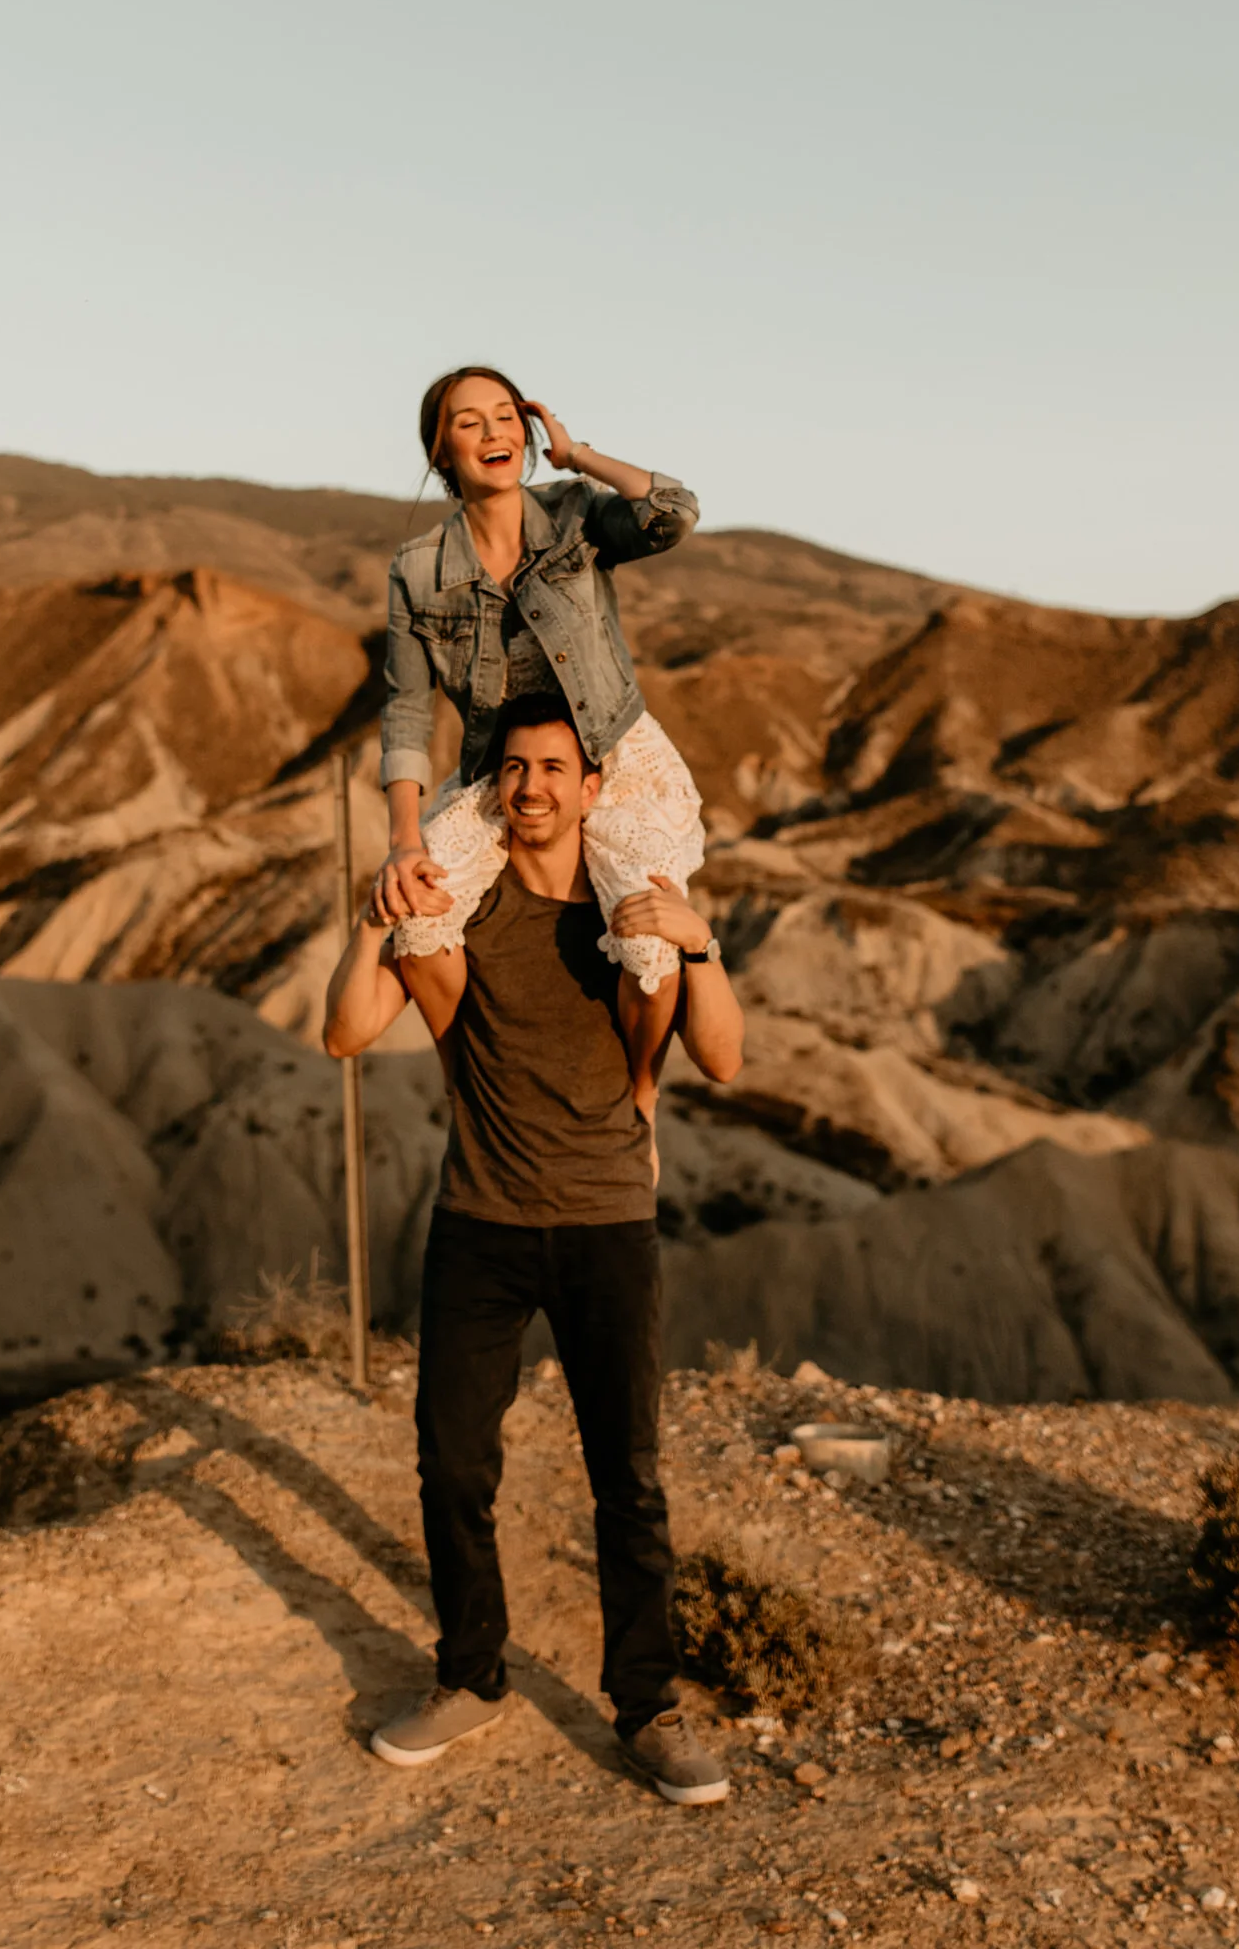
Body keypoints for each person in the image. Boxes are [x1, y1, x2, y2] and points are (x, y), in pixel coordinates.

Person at [324, 692, 745, 1806]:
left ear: (593, 787)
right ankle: (469, 1677)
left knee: (630, 1482)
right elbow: (343, 1033)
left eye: (557, 768)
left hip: (609, 1226)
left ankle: (648, 1711)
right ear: (494, 788)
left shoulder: (634, 917)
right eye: (515, 769)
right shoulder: (460, 912)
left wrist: (698, 939)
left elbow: (727, 1057)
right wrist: (374, 917)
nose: (535, 787)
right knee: (454, 1464)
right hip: (481, 1227)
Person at [376, 364, 703, 1089]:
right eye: (469, 422)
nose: (493, 432)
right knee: (418, 920)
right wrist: (403, 840)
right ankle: (464, 1082)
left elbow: (674, 512)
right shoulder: (417, 570)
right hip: (505, 774)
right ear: (442, 454)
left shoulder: (578, 516)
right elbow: (404, 708)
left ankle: (642, 1097)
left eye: (505, 416)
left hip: (614, 763)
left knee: (650, 945)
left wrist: (577, 454)